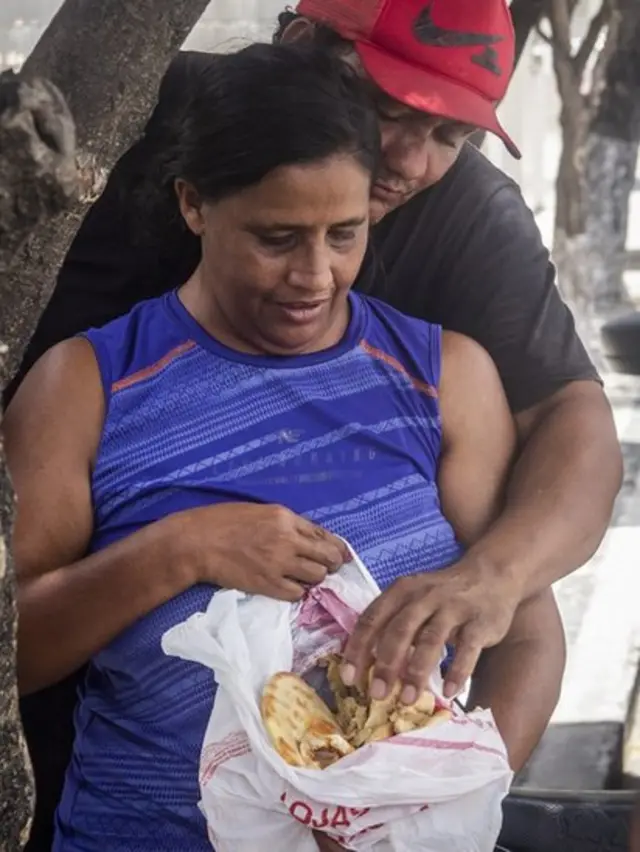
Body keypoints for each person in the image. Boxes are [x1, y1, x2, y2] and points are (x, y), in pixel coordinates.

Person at [6, 43, 561, 852]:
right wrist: (179, 549)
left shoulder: (444, 378)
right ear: (194, 204)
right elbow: (8, 655)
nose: (315, 274)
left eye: (345, 234)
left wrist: (428, 805)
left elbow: (531, 635)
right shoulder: (86, 386)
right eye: (277, 237)